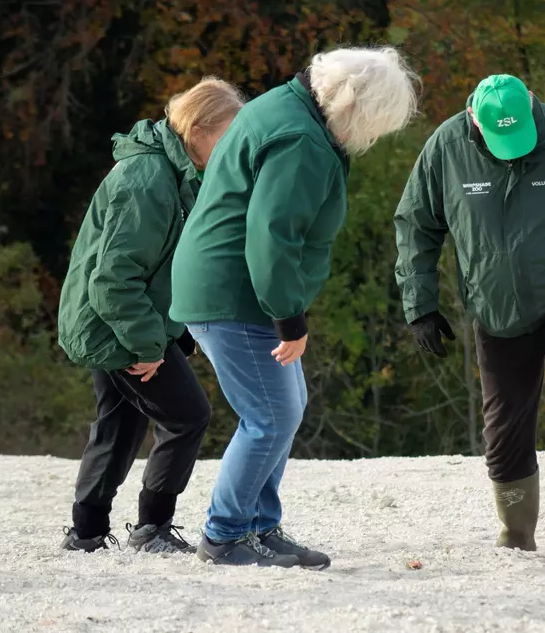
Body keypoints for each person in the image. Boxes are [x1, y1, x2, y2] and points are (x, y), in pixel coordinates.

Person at [170, 46, 419, 569]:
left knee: (285, 408)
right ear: (357, 108)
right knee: (270, 416)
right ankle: (224, 534)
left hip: (230, 286)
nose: (370, 137)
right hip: (236, 292)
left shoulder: (282, 107)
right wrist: (289, 315)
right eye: (375, 124)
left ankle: (260, 527)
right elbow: (272, 237)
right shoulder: (301, 139)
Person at [394, 74, 545, 555]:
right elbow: (416, 224)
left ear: (532, 109)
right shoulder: (445, 148)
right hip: (498, 306)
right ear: (474, 121)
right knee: (504, 426)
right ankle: (517, 532)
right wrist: (420, 305)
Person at [56, 77, 246, 553]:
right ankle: (152, 528)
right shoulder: (148, 178)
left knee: (119, 425)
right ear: (198, 129)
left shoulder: (176, 172)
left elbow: (164, 263)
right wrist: (147, 343)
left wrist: (174, 329)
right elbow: (112, 278)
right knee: (188, 416)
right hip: (114, 324)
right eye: (229, 133)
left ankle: (86, 533)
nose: (234, 146)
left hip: (122, 319)